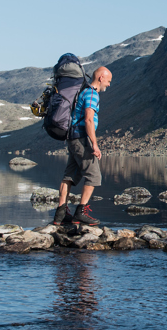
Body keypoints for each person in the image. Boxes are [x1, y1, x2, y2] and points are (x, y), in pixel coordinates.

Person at [53, 66, 113, 226]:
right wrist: (94, 144)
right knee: (94, 176)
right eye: (108, 81)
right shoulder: (92, 94)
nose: (109, 85)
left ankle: (60, 214)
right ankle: (80, 212)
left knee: (70, 176)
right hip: (82, 139)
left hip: (72, 138)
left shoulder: (83, 92)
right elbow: (88, 119)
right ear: (101, 78)